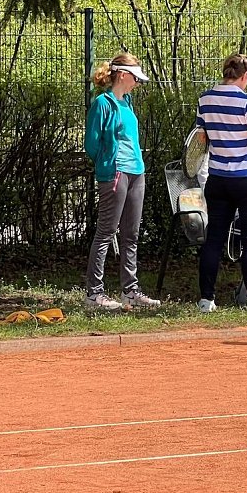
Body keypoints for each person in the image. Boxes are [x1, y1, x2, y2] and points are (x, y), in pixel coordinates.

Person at [83, 52, 160, 311]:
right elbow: (92, 145)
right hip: (115, 174)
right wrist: (109, 163)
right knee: (106, 232)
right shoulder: (102, 103)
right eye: (136, 78)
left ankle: (130, 291)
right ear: (123, 75)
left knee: (132, 234)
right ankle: (94, 294)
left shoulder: (127, 103)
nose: (138, 83)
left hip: (137, 172)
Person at [195, 53, 247, 313]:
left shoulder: (205, 99)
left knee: (214, 238)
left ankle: (206, 299)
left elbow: (201, 138)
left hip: (218, 178)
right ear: (245, 76)